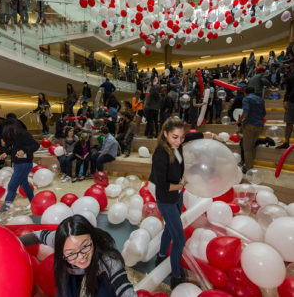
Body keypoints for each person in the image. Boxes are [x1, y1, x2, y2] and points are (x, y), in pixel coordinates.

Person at [149, 117, 222, 290]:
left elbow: (195, 136)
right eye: (175, 137)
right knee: (179, 239)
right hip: (166, 197)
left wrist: (213, 137)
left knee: (169, 228)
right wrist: (181, 185)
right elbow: (162, 185)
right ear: (165, 134)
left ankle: (160, 255)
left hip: (177, 195)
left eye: (181, 137)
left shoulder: (178, 143)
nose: (179, 141)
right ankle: (175, 276)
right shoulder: (160, 154)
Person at [19, 215, 137, 297]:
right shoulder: (55, 239)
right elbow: (37, 235)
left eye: (85, 247)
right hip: (70, 271)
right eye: (71, 253)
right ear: (61, 250)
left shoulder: (108, 259)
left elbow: (124, 288)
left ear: (93, 239)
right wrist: (14, 242)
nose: (80, 257)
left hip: (98, 271)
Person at [0, 119, 40, 213]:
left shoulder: (24, 134)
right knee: (24, 184)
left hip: (24, 165)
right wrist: (6, 153)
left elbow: (36, 145)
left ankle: (4, 210)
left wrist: (24, 150)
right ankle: (33, 202)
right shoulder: (14, 136)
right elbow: (14, 148)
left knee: (12, 186)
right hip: (18, 164)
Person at [237, 87, 266, 172]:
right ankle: (250, 165)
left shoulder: (246, 99)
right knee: (252, 147)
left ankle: (249, 169)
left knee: (247, 149)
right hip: (259, 125)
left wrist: (239, 120)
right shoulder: (261, 99)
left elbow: (246, 112)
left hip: (249, 125)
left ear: (245, 93)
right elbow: (264, 113)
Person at [276, 73, 294, 149]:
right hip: (291, 101)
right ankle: (286, 142)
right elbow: (288, 90)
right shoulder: (291, 77)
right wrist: (285, 100)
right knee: (289, 122)